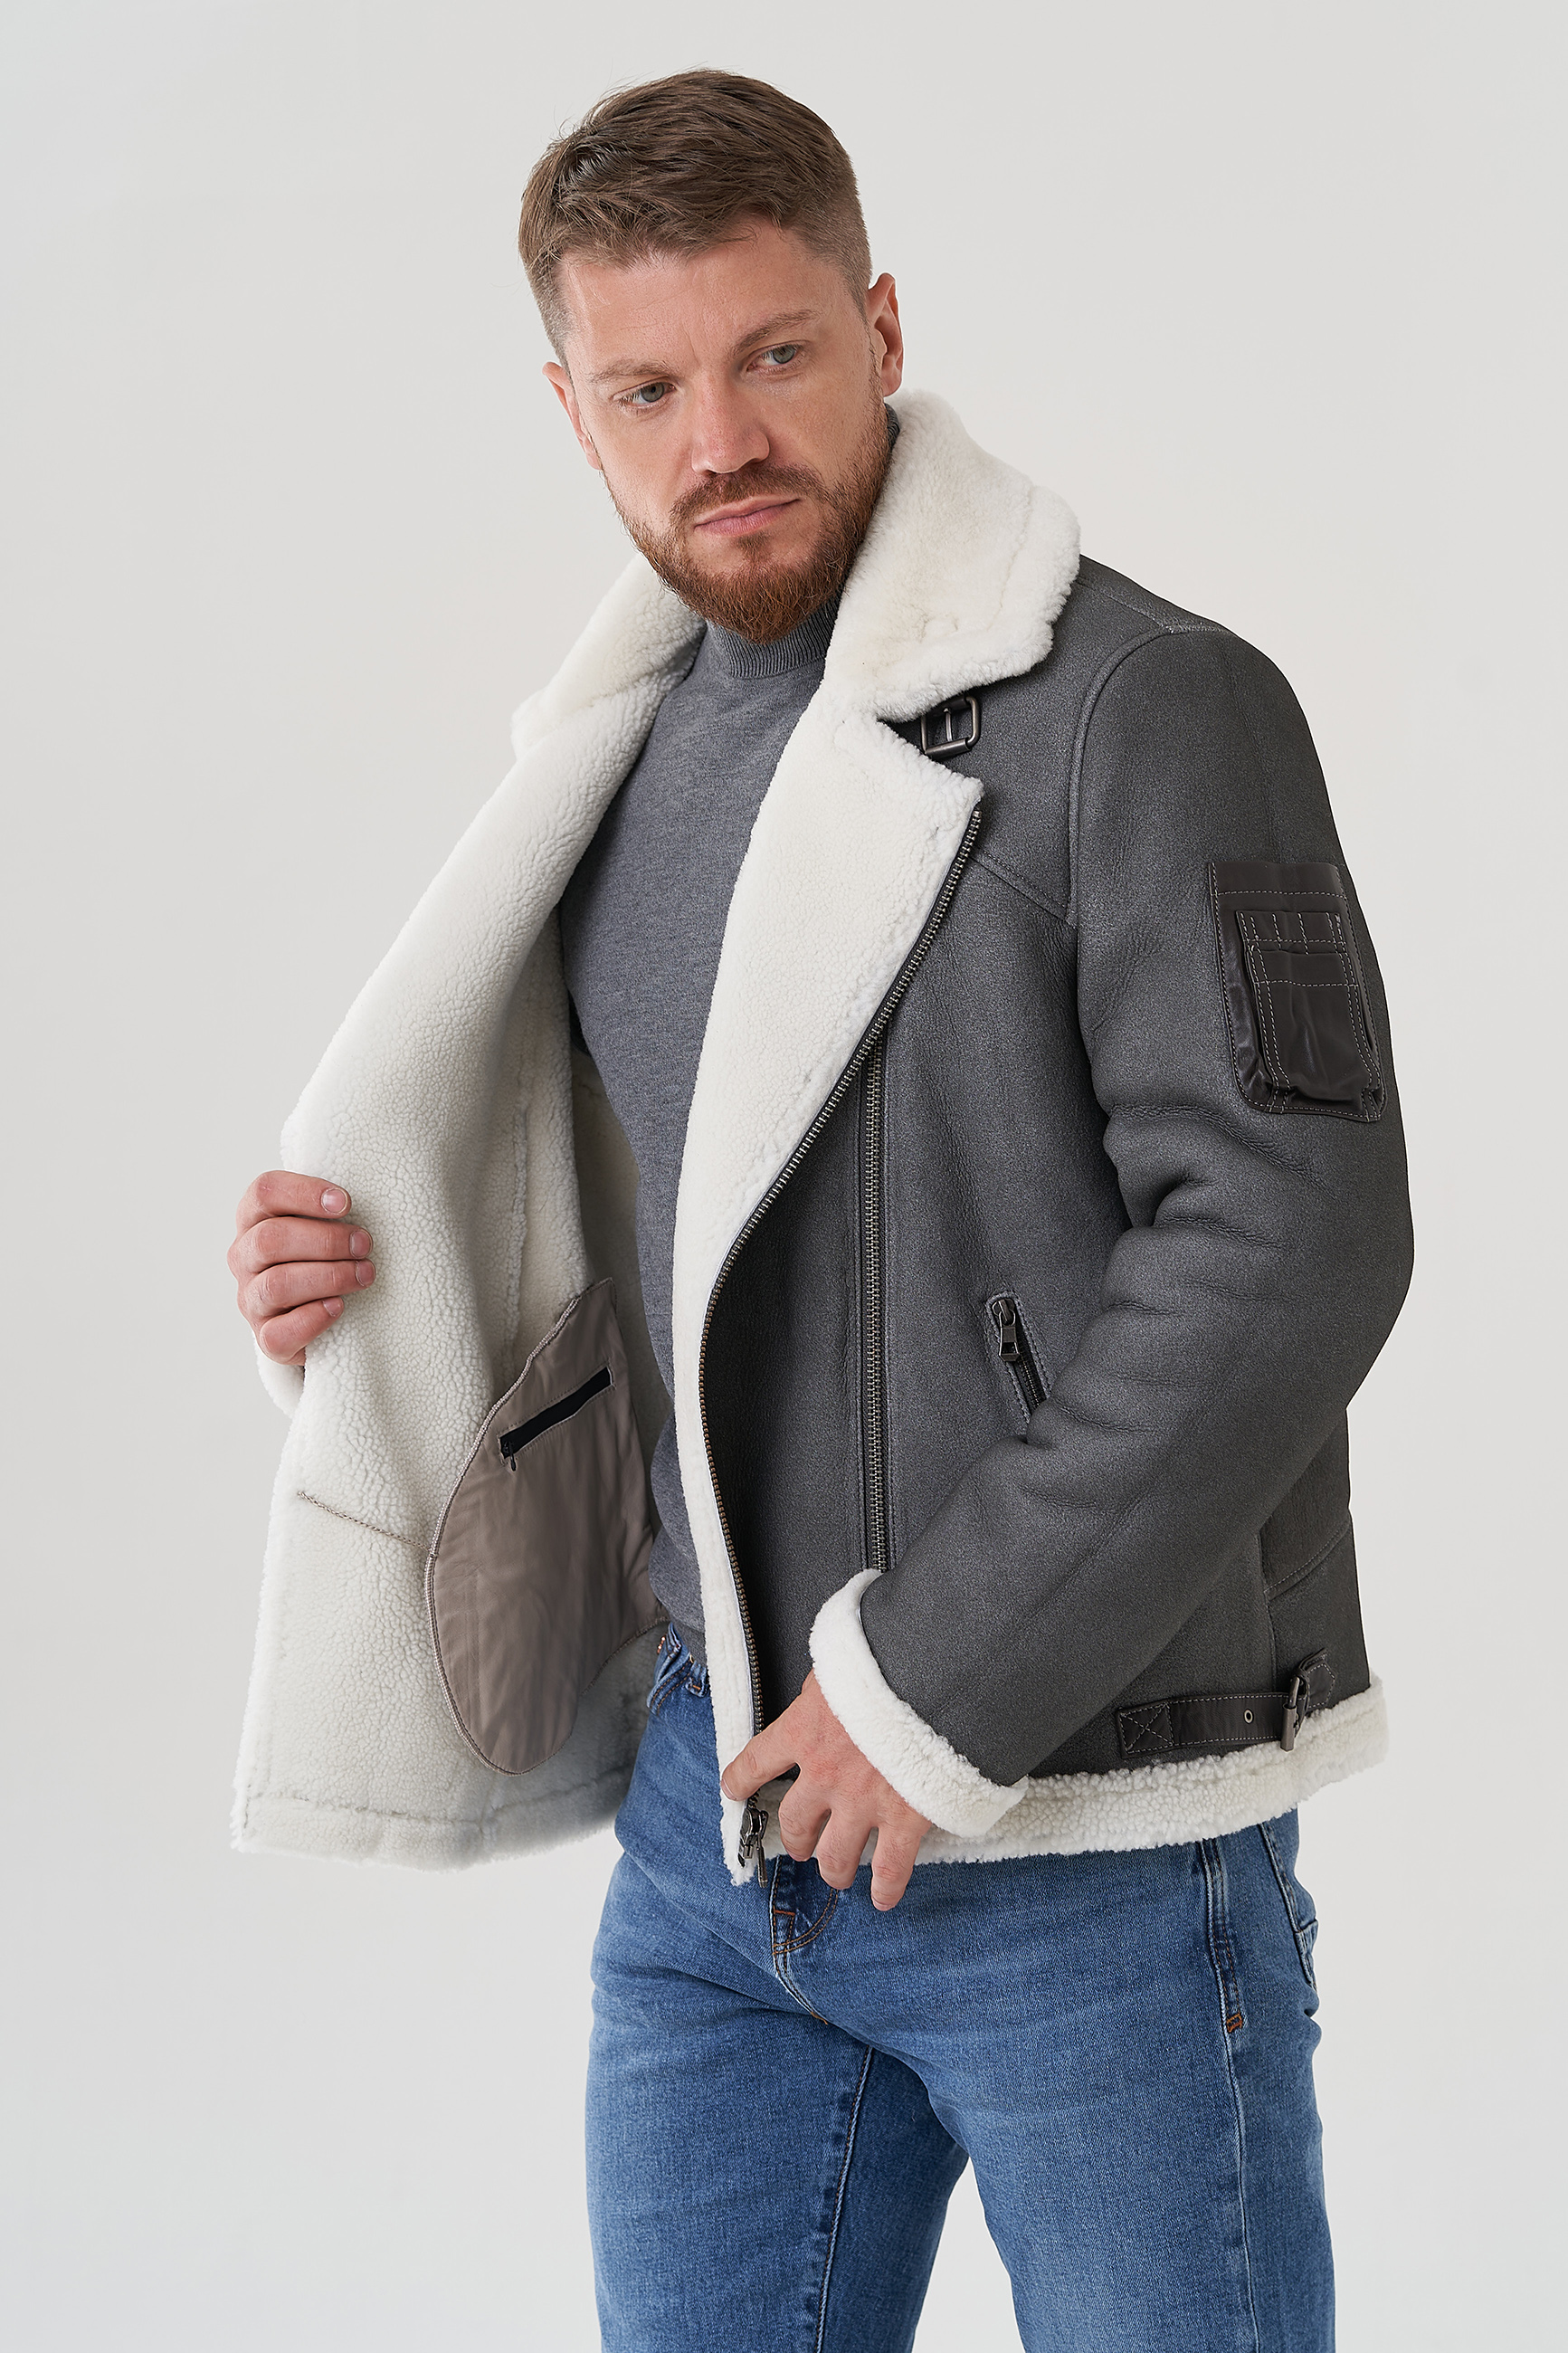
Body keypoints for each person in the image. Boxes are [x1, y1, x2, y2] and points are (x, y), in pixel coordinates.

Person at [226, 70, 1412, 2351]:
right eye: (648, 389)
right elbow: (671, 1257)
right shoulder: (615, 758)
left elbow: (1296, 1230)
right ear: (571, 412)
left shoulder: (1149, 706)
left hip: (1089, 1837)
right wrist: (374, 1300)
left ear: (879, 326)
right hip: (715, 1836)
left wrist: (934, 1681)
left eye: (775, 354)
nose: (722, 439)